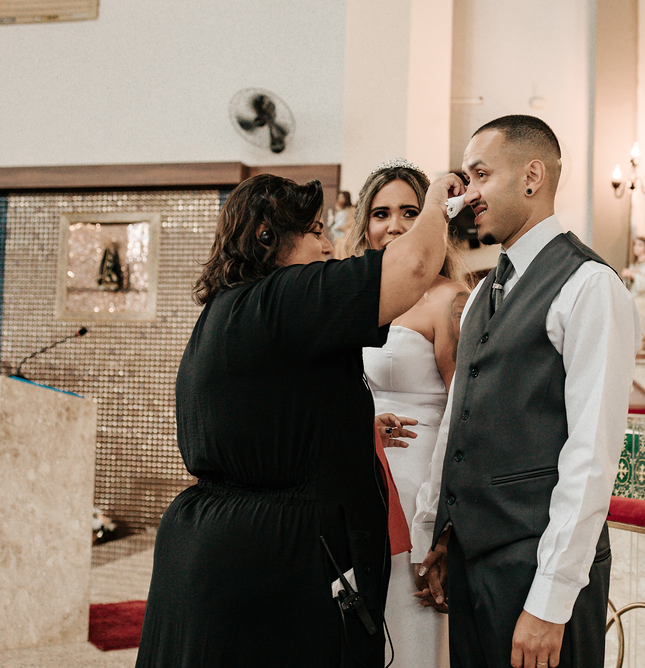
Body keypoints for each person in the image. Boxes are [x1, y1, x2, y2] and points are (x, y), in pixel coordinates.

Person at [136, 171, 463, 668]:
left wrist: (347, 430)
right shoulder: (286, 295)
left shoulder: (227, 310)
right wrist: (436, 198)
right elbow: (415, 266)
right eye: (315, 231)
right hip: (272, 559)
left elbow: (262, 416)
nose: (329, 246)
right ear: (269, 237)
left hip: (209, 548)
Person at [411, 115, 641, 668]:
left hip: (540, 571)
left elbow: (591, 456)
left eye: (480, 175)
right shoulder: (483, 291)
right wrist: (438, 530)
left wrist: (550, 601)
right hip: (472, 562)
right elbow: (459, 421)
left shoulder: (589, 285)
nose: (466, 195)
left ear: (532, 176)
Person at [348, 158, 470, 668]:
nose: (394, 226)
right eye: (381, 213)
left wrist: (444, 523)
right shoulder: (352, 298)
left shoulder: (449, 300)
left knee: (412, 633)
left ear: (434, 219)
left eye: (409, 212)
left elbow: (465, 415)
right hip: (360, 478)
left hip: (421, 482)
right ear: (365, 225)